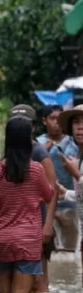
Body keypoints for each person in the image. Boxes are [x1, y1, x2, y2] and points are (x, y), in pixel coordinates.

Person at [0, 116, 54, 293]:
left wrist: (5, 224)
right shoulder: (35, 170)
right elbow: (49, 196)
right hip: (28, 240)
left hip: (3, 238)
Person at [10, 104, 58, 292]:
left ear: (33, 128)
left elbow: (52, 192)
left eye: (25, 124)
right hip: (16, 224)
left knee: (39, 282)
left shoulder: (39, 153)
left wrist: (47, 225)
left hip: (38, 222)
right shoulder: (10, 152)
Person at [37, 105, 78, 251]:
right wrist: (42, 152)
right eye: (52, 119)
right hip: (46, 205)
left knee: (71, 249)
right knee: (50, 249)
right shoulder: (38, 144)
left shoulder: (74, 143)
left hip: (70, 203)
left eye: (58, 119)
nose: (56, 123)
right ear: (44, 121)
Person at [56, 105, 83, 273]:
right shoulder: (79, 157)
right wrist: (65, 193)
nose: (80, 127)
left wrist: (77, 175)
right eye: (76, 122)